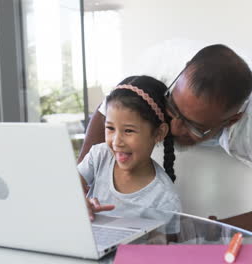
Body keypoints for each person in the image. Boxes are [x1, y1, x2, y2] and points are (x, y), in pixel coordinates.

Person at [79, 44, 252, 239]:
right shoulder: (159, 68)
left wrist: (207, 230)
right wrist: (77, 191)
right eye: (173, 110)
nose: (174, 128)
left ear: (233, 120)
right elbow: (108, 113)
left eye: (193, 126)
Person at [78, 75, 182, 219]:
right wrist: (80, 201)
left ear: (159, 132)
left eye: (128, 131)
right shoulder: (99, 155)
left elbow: (165, 240)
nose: (116, 142)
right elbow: (69, 185)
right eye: (110, 128)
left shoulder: (164, 198)